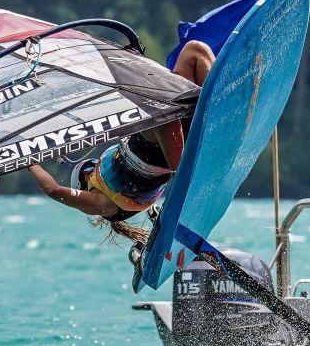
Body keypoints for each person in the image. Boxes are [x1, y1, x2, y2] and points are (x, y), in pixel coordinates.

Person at [27, 40, 215, 243]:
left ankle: (222, 107)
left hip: (172, 129)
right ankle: (190, 163)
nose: (93, 170)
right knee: (163, 112)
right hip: (168, 146)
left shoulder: (117, 193)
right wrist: (29, 160)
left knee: (195, 51)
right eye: (87, 172)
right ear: (84, 184)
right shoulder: (103, 205)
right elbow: (53, 190)